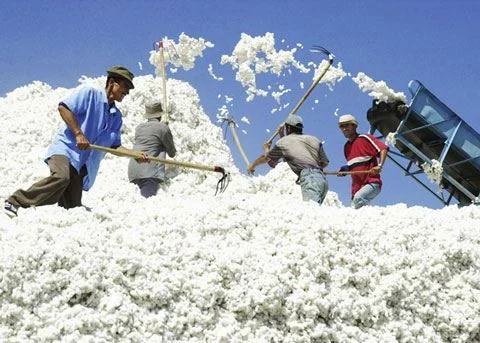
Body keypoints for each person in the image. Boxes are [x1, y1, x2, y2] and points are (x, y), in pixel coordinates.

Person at [4, 66, 143, 218]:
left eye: (129, 89)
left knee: (73, 209)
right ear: (112, 82)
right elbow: (64, 108)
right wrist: (78, 133)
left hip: (81, 163)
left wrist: (135, 154)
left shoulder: (116, 117)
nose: (127, 92)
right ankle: (15, 201)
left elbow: (114, 146)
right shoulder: (90, 94)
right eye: (125, 86)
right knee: (61, 178)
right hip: (66, 149)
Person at [247, 114, 330, 204]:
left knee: (311, 211)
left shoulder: (283, 142)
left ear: (288, 128)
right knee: (315, 212)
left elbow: (270, 162)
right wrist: (314, 171)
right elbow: (324, 162)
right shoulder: (314, 140)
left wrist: (255, 162)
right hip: (322, 181)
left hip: (309, 180)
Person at [338, 114, 389, 209]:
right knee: (355, 211)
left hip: (371, 183)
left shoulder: (364, 138)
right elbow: (356, 164)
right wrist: (346, 169)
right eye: (341, 126)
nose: (344, 129)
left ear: (354, 126)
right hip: (356, 189)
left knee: (358, 200)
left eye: (347, 125)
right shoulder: (346, 148)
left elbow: (383, 149)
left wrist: (380, 165)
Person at [128, 101, 176, 198]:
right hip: (149, 172)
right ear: (160, 115)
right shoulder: (163, 128)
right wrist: (166, 129)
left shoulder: (139, 128)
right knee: (148, 205)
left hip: (134, 171)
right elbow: (172, 153)